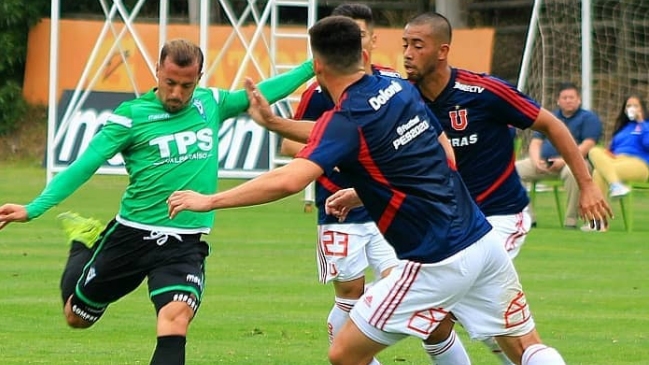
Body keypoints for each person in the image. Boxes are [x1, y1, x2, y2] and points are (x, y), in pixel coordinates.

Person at [166, 16, 612, 365]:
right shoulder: (397, 88)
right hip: (481, 241)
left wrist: (210, 200)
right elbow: (445, 155)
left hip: (437, 258)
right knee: (524, 345)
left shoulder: (346, 120)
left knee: (344, 352)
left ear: (318, 67)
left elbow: (288, 179)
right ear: (362, 55)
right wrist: (361, 183)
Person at [0, 38, 314, 365]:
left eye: (186, 85)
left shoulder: (211, 104)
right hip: (131, 235)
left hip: (184, 242)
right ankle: (83, 243)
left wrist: (312, 67)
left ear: (199, 78)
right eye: (170, 83)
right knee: (77, 318)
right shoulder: (131, 117)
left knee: (175, 318)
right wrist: (33, 208)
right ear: (157, 72)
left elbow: (259, 94)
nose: (177, 93)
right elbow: (85, 164)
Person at [398, 12, 611, 365]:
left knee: (436, 309)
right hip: (449, 226)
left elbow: (553, 125)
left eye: (417, 45)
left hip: (500, 219)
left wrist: (587, 185)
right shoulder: (405, 100)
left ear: (442, 50)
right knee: (451, 321)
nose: (407, 53)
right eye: (404, 44)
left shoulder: (483, 92)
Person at [279, 5, 401, 364]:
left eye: (361, 34)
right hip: (336, 208)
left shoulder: (393, 85)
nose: (355, 42)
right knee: (349, 296)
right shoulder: (319, 92)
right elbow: (288, 143)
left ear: (372, 40)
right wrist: (335, 149)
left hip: (383, 205)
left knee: (401, 281)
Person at [516, 82, 603, 228]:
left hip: (574, 164)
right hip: (545, 163)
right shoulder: (549, 117)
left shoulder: (588, 118)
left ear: (579, 100)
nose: (568, 100)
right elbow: (536, 142)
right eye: (564, 97)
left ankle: (570, 221)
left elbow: (588, 144)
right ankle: (528, 218)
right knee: (514, 170)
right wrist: (536, 160)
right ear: (558, 100)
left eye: (571, 97)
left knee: (572, 172)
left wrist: (564, 161)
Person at [584, 94, 649, 231]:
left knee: (599, 173)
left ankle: (614, 187)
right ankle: (599, 221)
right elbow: (612, 150)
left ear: (642, 109)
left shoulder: (646, 126)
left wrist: (642, 122)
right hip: (616, 161)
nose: (632, 108)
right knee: (594, 151)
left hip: (639, 164)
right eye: (629, 106)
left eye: (635, 106)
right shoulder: (622, 129)